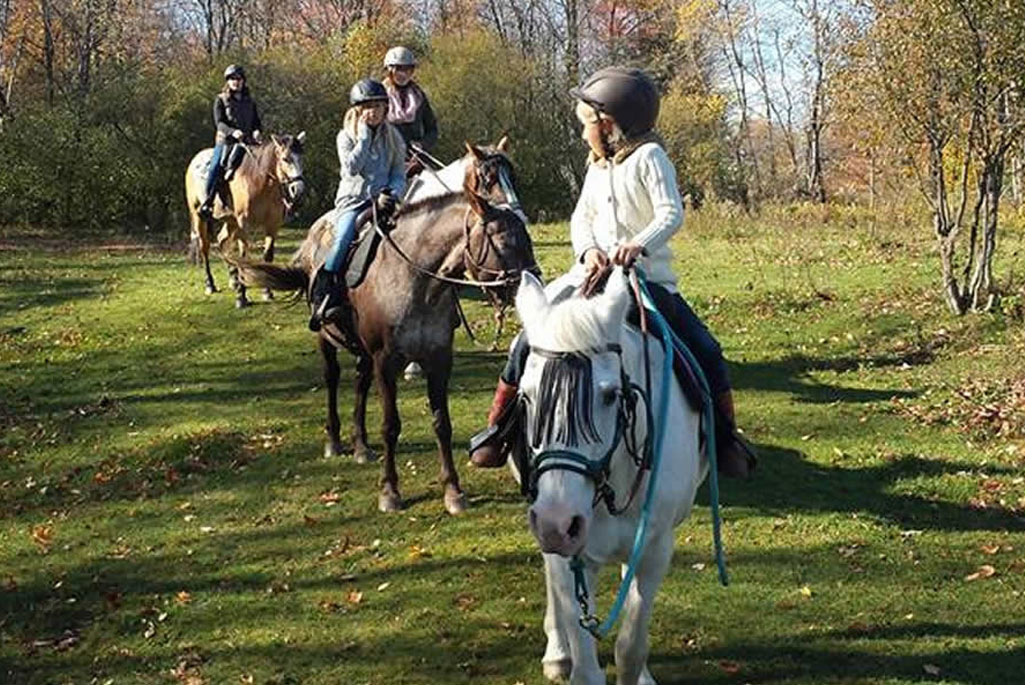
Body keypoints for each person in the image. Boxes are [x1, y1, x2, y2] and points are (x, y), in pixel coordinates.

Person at [469, 66, 756, 478]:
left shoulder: (651, 158)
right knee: (527, 339)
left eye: (587, 124)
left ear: (609, 125)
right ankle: (498, 428)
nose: (583, 133)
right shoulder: (596, 167)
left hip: (646, 281)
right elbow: (580, 219)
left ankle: (725, 438)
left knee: (705, 349)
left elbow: (671, 213)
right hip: (588, 278)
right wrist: (587, 251)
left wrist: (638, 244)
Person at [309, 78, 406, 332]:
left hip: (384, 200)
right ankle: (324, 290)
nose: (373, 112)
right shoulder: (346, 136)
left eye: (378, 106)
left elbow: (398, 172)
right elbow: (351, 168)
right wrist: (363, 140)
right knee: (343, 238)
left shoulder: (393, 137)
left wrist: (393, 191)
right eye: (367, 107)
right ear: (357, 110)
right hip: (353, 200)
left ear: (386, 108)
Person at [198, 64, 263, 219]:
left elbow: (256, 122)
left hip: (248, 143)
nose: (236, 82)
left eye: (238, 79)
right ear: (227, 81)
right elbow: (219, 123)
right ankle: (208, 202)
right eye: (232, 79)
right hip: (226, 142)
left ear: (243, 81)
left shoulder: (250, 102)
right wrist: (233, 132)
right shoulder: (220, 100)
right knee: (216, 167)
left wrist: (257, 131)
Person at [382, 46, 439, 178]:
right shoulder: (378, 96)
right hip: (386, 162)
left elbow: (432, 129)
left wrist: (422, 144)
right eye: (399, 69)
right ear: (389, 70)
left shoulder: (419, 96)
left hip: (416, 161)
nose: (404, 74)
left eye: (408, 69)